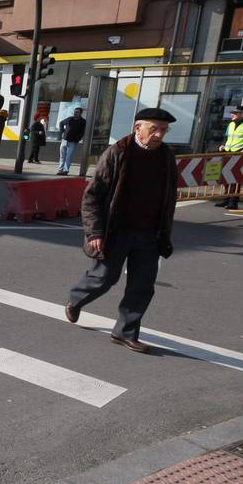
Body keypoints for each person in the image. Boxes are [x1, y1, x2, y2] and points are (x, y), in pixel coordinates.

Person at [64, 108, 179, 354]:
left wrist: (165, 231)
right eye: (153, 129)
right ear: (138, 128)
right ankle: (76, 299)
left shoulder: (167, 157)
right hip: (116, 231)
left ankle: (125, 332)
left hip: (149, 233)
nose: (158, 135)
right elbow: (92, 196)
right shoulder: (118, 152)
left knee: (143, 285)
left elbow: (170, 196)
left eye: (163, 130)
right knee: (104, 278)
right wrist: (94, 233)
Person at [217, 105, 243, 208]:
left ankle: (233, 202)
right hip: (228, 152)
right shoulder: (231, 124)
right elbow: (227, 137)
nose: (232, 115)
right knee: (225, 177)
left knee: (235, 179)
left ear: (242, 114)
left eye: (235, 113)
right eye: (232, 113)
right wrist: (223, 144)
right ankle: (227, 199)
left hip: (240, 154)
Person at [57, 107, 86, 174]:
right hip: (64, 140)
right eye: (75, 112)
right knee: (62, 156)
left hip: (72, 142)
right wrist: (62, 131)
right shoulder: (70, 119)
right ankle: (60, 170)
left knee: (68, 156)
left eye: (77, 112)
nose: (75, 113)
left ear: (80, 113)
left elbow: (82, 132)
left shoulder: (83, 121)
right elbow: (61, 123)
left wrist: (77, 139)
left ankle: (65, 170)